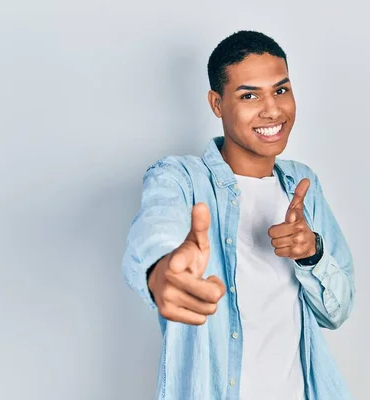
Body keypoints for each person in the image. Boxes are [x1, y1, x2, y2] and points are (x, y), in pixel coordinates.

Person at [122, 30, 356, 400]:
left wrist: (312, 253)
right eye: (249, 95)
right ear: (217, 104)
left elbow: (337, 311)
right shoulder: (181, 178)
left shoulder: (303, 183)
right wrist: (162, 272)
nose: (272, 110)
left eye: (281, 90)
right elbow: (153, 232)